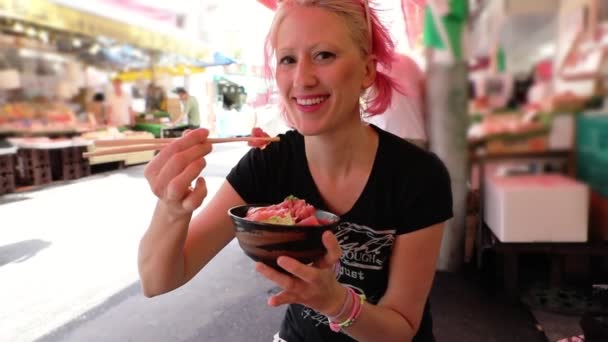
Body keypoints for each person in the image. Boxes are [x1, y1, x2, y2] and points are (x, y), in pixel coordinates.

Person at [138, 1, 453, 341]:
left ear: (366, 70)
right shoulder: (270, 163)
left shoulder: (417, 175)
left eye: (324, 55)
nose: (302, 79)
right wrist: (171, 209)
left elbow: (401, 329)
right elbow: (159, 280)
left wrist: (337, 303)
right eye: (288, 59)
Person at [365, 52, 428, 148]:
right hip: (417, 137)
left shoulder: (370, 66)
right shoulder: (408, 61)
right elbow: (426, 97)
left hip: (387, 138)